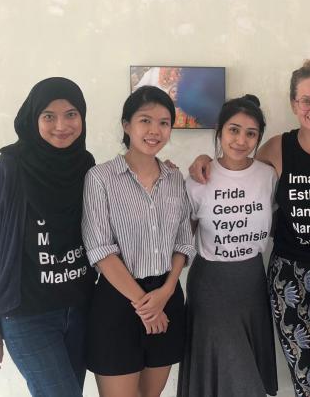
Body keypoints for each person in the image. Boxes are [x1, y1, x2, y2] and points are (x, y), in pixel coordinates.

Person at [190, 60, 310, 397]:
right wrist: (203, 159)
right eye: (306, 100)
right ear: (294, 103)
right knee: (307, 380)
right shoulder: (277, 148)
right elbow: (238, 172)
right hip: (289, 278)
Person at [0, 77, 96, 397]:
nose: (61, 126)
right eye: (49, 116)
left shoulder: (86, 164)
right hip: (27, 316)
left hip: (79, 309)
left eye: (71, 114)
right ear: (33, 119)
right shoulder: (11, 166)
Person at [82, 85, 195, 397]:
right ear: (126, 125)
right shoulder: (100, 177)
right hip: (118, 300)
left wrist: (166, 292)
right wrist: (147, 307)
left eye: (164, 123)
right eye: (145, 120)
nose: (154, 130)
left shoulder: (175, 178)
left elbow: (184, 242)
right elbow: (100, 250)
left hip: (167, 296)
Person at [177, 94, 278, 397]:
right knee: (226, 371)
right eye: (234, 130)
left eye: (251, 133)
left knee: (246, 372)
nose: (241, 140)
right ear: (220, 131)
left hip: (252, 283)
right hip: (210, 287)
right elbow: (182, 240)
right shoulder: (198, 179)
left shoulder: (268, 176)